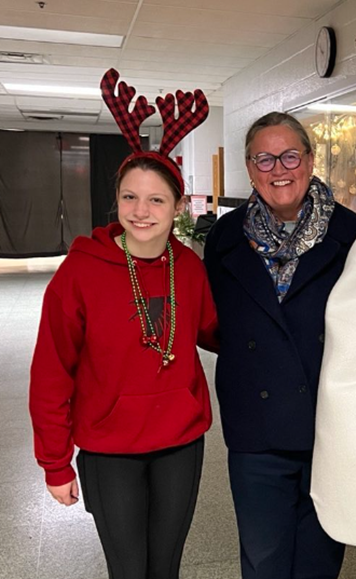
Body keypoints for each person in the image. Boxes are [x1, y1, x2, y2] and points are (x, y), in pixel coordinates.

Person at [29, 68, 218, 579]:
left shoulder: (191, 268)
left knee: (167, 567)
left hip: (180, 441)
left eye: (156, 199)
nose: (141, 211)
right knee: (129, 569)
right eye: (130, 197)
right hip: (109, 447)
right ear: (117, 200)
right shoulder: (82, 271)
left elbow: (216, 331)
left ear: (178, 206)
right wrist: (54, 462)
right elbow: (51, 371)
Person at [203, 112, 356, 579]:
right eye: (265, 159)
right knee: (264, 557)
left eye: (290, 155)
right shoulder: (226, 238)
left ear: (310, 161)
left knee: (319, 557)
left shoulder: (349, 234)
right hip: (255, 427)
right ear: (250, 169)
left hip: (329, 422)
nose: (279, 169)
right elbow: (215, 323)